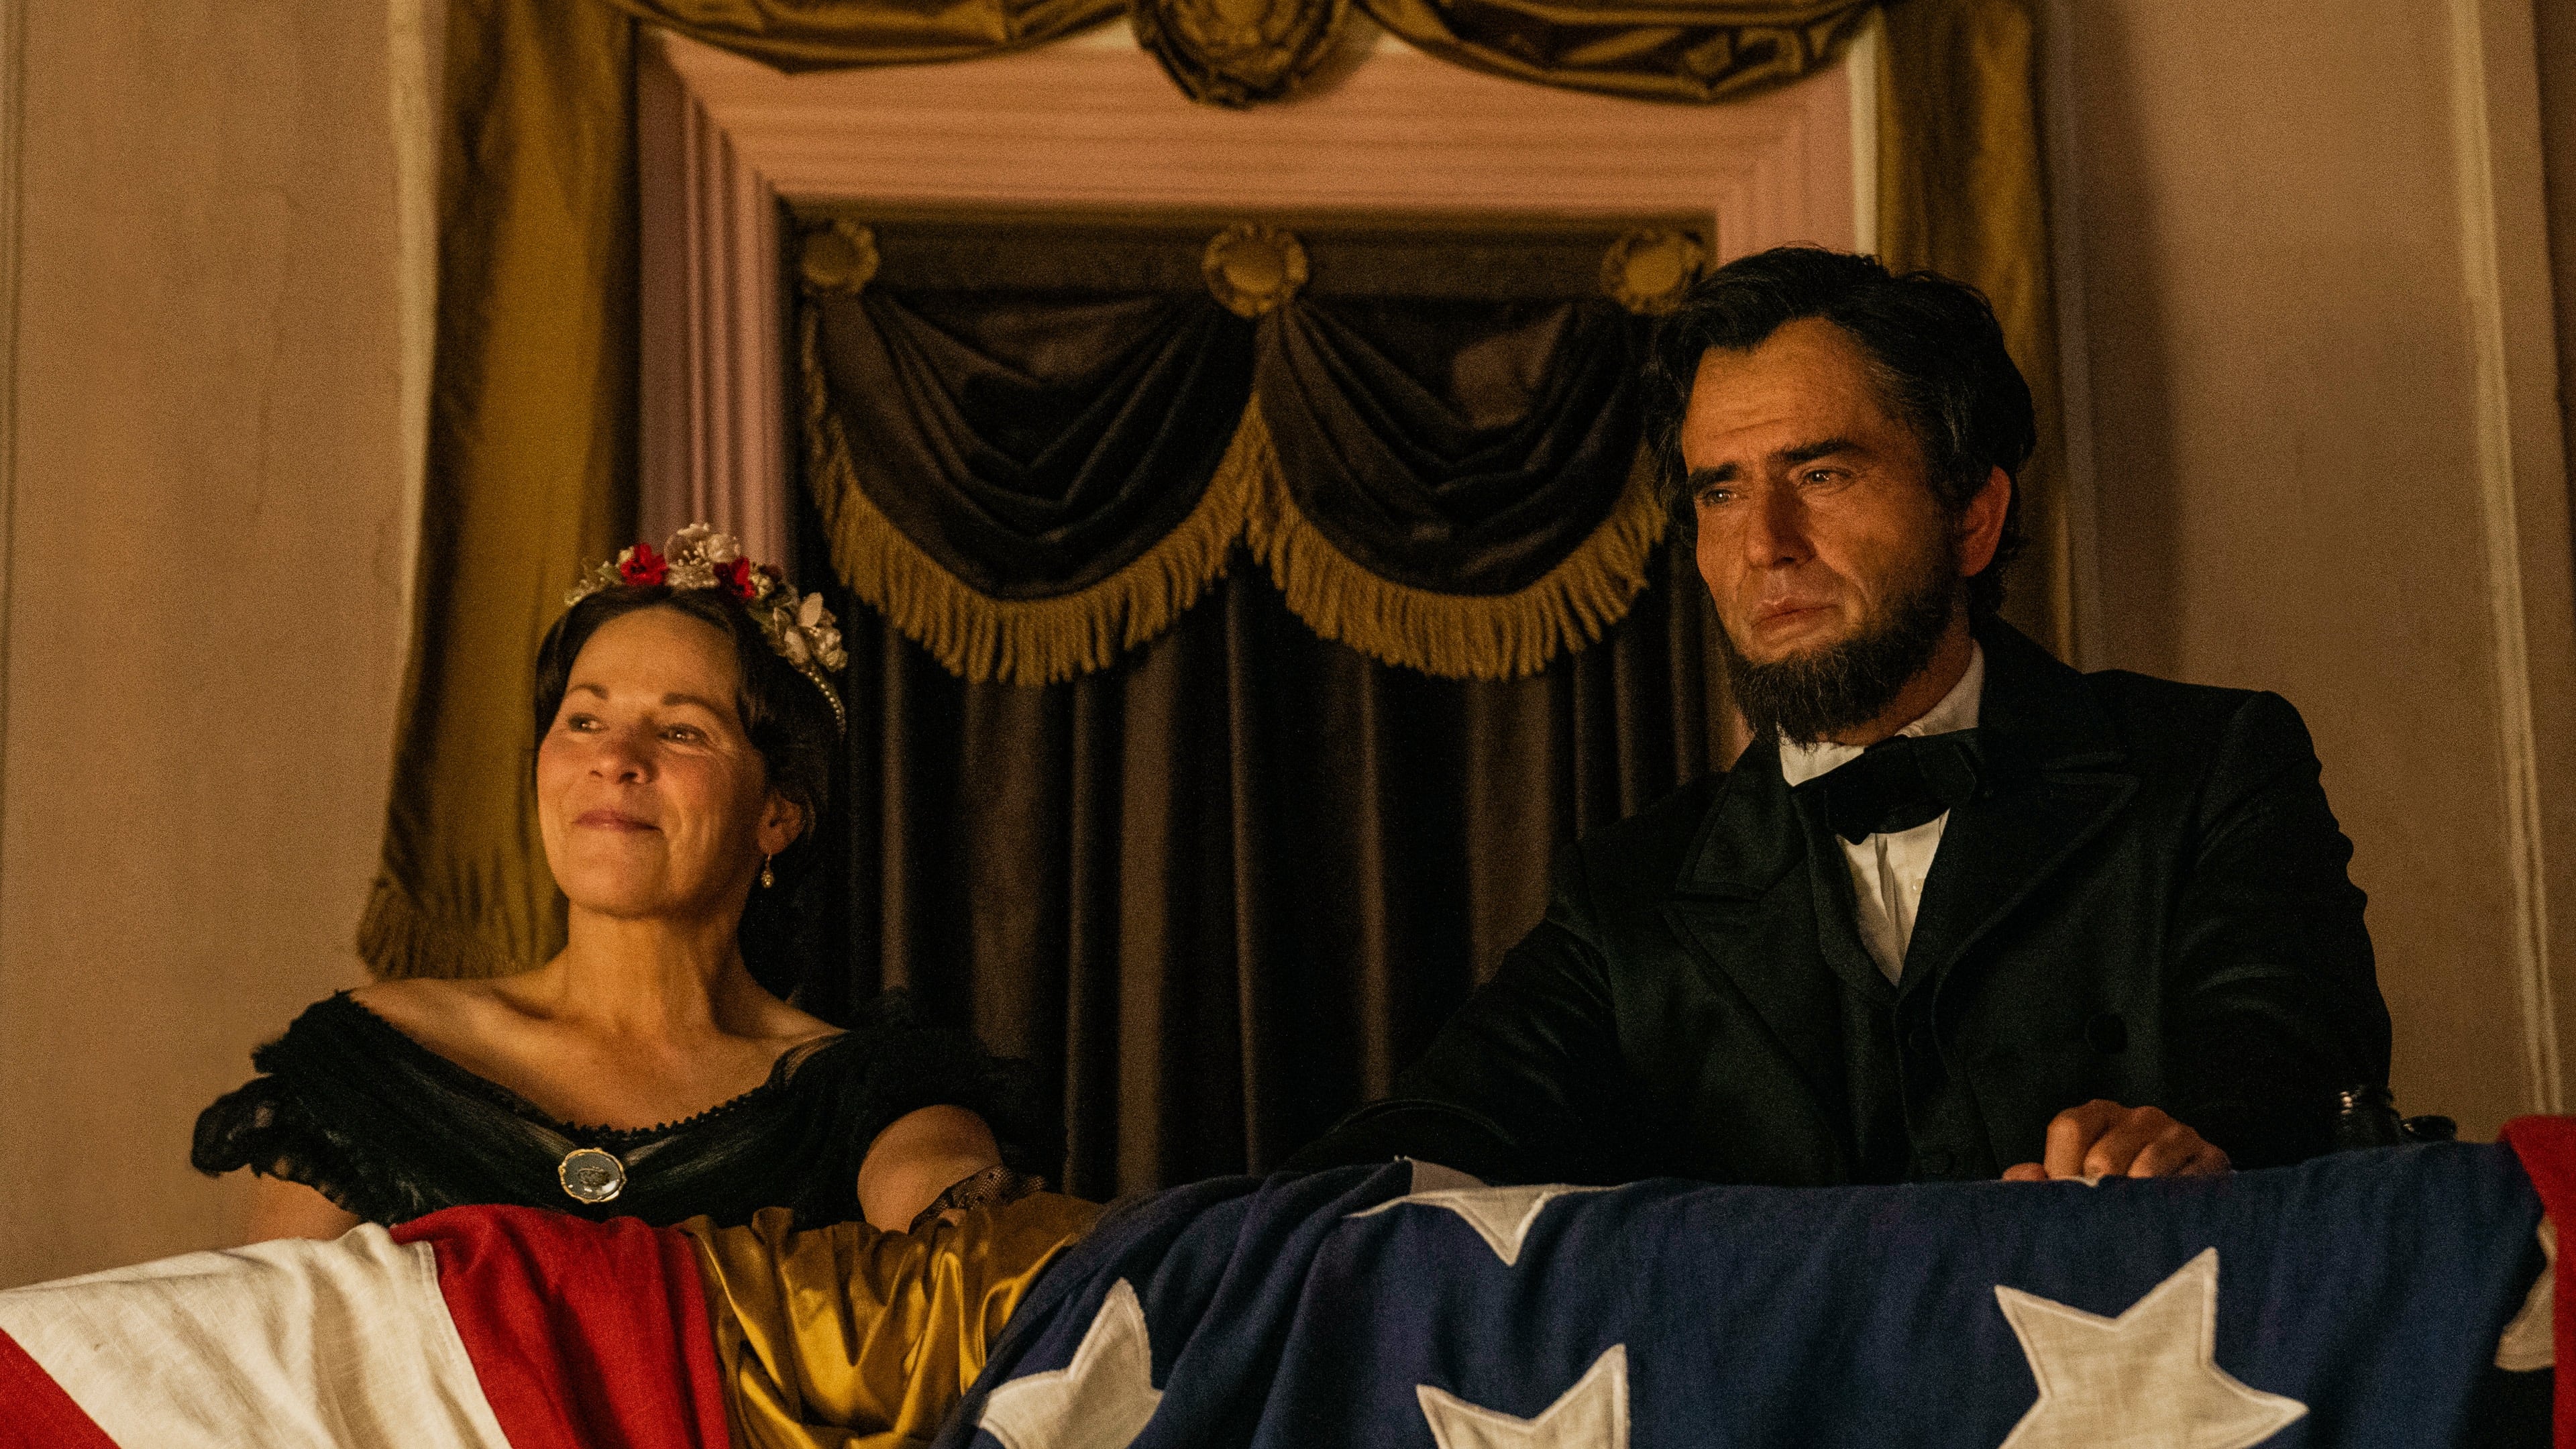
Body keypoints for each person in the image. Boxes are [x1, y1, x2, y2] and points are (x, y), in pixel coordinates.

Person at [1289, 247, 2393, 1187]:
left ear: (1972, 516)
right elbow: (1425, 1143)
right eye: (1722, 491)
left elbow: (2290, 1073)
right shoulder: (1627, 894)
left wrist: (2193, 1151)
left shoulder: (2211, 771)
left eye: (1819, 474)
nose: (1764, 542)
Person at [194, 525, 1042, 1239]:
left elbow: (971, 1265)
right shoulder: (376, 1061)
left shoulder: (872, 1096)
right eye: (584, 720)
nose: (614, 759)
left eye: (681, 731)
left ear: (778, 814)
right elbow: (262, 1361)